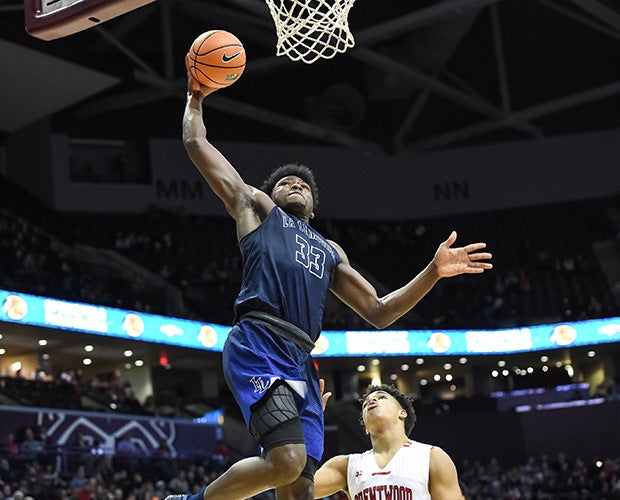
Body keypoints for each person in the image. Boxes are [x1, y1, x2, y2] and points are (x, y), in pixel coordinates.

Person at [166, 61, 492, 500]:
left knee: (297, 490)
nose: (295, 182)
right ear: (270, 197)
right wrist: (196, 97)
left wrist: (432, 271)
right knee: (285, 460)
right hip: (259, 342)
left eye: (302, 183)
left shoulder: (329, 251)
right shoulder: (256, 209)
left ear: (314, 210)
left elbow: (378, 311)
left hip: (301, 360)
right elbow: (195, 141)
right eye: (285, 183)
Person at [313, 385, 464, 500]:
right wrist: (309, 420)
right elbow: (294, 493)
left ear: (402, 413)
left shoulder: (432, 457)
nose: (371, 400)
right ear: (365, 426)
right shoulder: (345, 466)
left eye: (382, 397)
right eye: (365, 404)